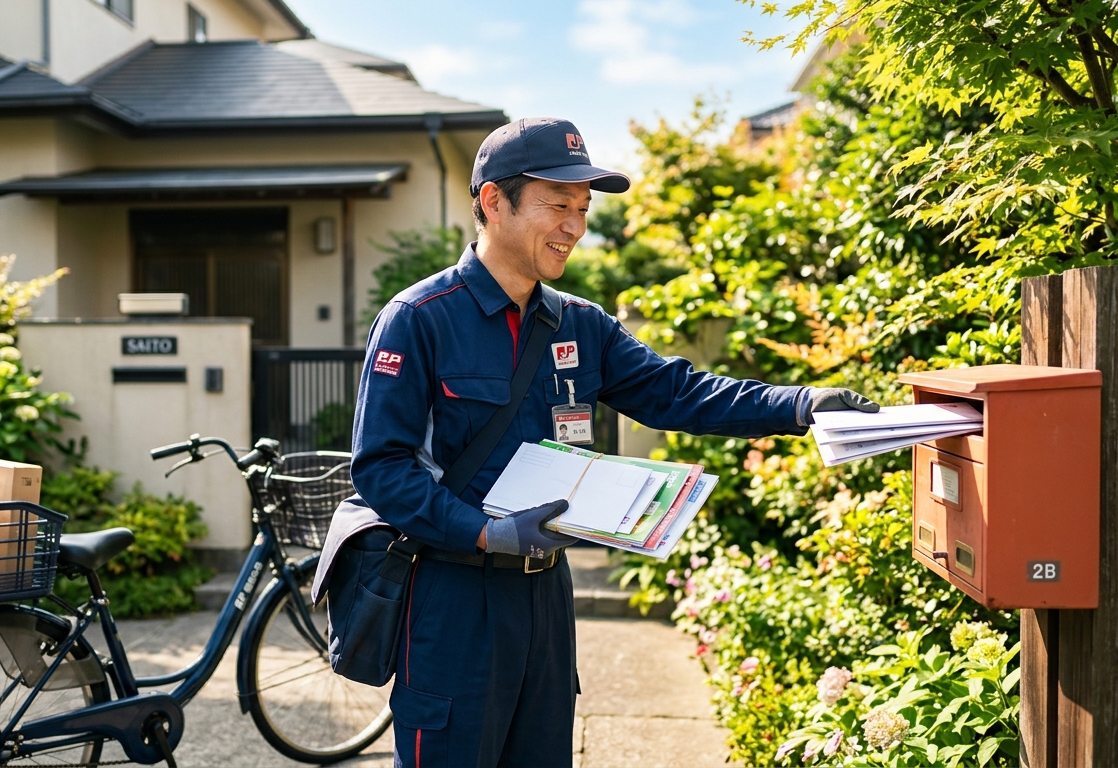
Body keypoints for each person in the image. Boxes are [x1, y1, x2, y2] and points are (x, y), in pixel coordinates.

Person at [350, 117, 877, 768]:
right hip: (454, 599)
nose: (575, 226)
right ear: (494, 201)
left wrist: (800, 405)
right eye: (558, 205)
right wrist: (485, 532)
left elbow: (677, 391)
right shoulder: (419, 319)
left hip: (546, 599)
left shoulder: (581, 325)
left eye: (583, 209)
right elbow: (382, 468)